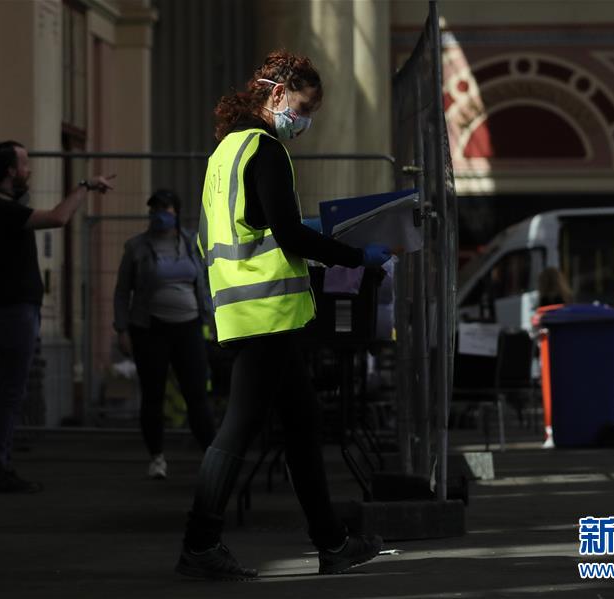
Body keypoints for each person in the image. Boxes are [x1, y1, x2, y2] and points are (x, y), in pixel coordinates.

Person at [175, 50, 392, 580]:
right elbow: (289, 233)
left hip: (243, 306)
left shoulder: (224, 153)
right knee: (239, 429)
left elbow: (226, 234)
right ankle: (200, 544)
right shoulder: (266, 151)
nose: (307, 121)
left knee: (301, 423)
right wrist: (355, 257)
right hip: (266, 311)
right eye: (304, 106)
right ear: (276, 95)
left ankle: (332, 542)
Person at [0, 140, 114, 493]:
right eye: (24, 163)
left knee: (9, 392)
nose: (29, 169)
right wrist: (84, 186)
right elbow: (59, 218)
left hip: (11, 308)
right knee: (11, 394)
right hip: (16, 312)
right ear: (10, 172)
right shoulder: (4, 210)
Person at [112, 189, 217, 480]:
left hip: (190, 326)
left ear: (176, 212)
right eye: (154, 209)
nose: (159, 214)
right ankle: (156, 457)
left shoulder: (191, 243)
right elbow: (122, 292)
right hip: (150, 329)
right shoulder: (136, 248)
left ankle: (212, 455)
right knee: (153, 394)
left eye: (165, 208)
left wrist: (213, 319)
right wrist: (122, 329)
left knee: (197, 393)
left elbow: (205, 284)